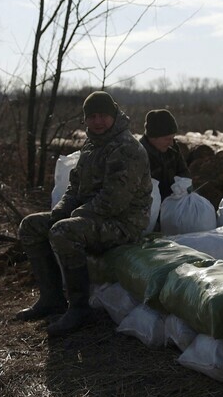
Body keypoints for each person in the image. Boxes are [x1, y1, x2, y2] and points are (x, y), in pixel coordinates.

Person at [16, 91, 152, 336]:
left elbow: (114, 202)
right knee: (31, 226)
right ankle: (52, 298)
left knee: (63, 232)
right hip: (92, 217)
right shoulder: (92, 145)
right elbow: (74, 187)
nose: (98, 121)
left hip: (122, 224)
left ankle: (79, 308)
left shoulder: (126, 148)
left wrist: (73, 217)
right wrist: (60, 211)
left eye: (103, 116)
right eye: (92, 117)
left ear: (113, 116)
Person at [140, 109, 190, 202]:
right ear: (153, 137)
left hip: (174, 204)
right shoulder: (138, 155)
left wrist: (183, 185)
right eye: (167, 139)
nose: (171, 143)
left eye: (173, 138)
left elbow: (183, 171)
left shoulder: (173, 150)